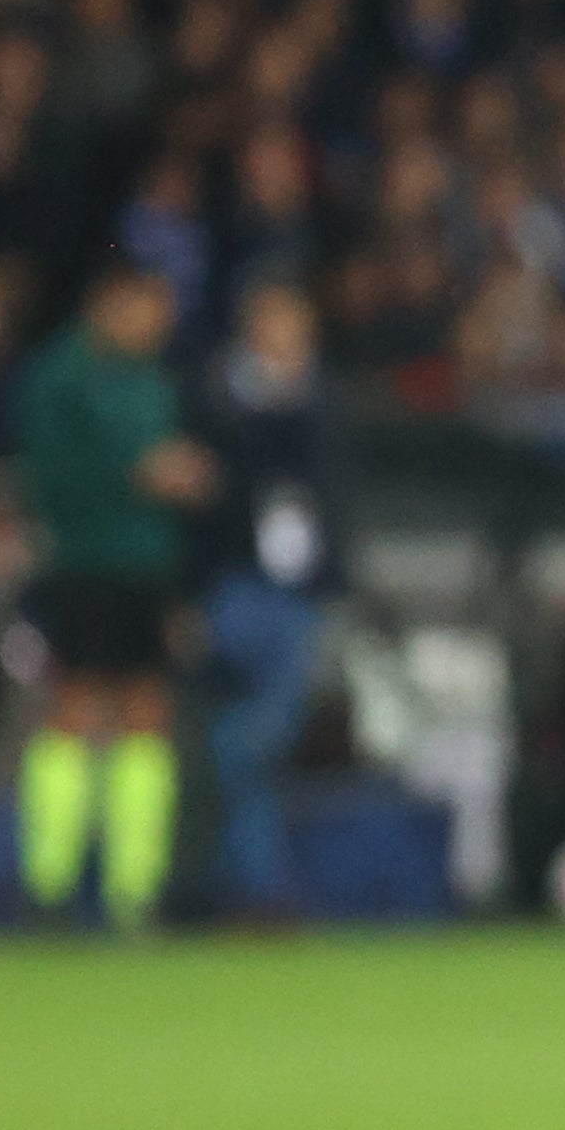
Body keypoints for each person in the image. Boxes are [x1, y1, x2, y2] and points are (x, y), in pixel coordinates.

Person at [10, 252, 210, 933]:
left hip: (148, 571)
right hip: (83, 564)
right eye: (144, 303)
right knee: (73, 711)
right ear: (107, 301)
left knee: (146, 716)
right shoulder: (63, 376)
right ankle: (48, 887)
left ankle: (133, 894)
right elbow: (51, 475)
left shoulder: (153, 378)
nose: (156, 319)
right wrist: (138, 474)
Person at [191, 276, 345, 921]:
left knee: (256, 742)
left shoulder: (325, 401)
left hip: (297, 595)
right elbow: (201, 501)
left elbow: (339, 498)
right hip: (234, 590)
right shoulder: (217, 398)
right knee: (243, 741)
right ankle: (255, 887)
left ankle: (248, 885)